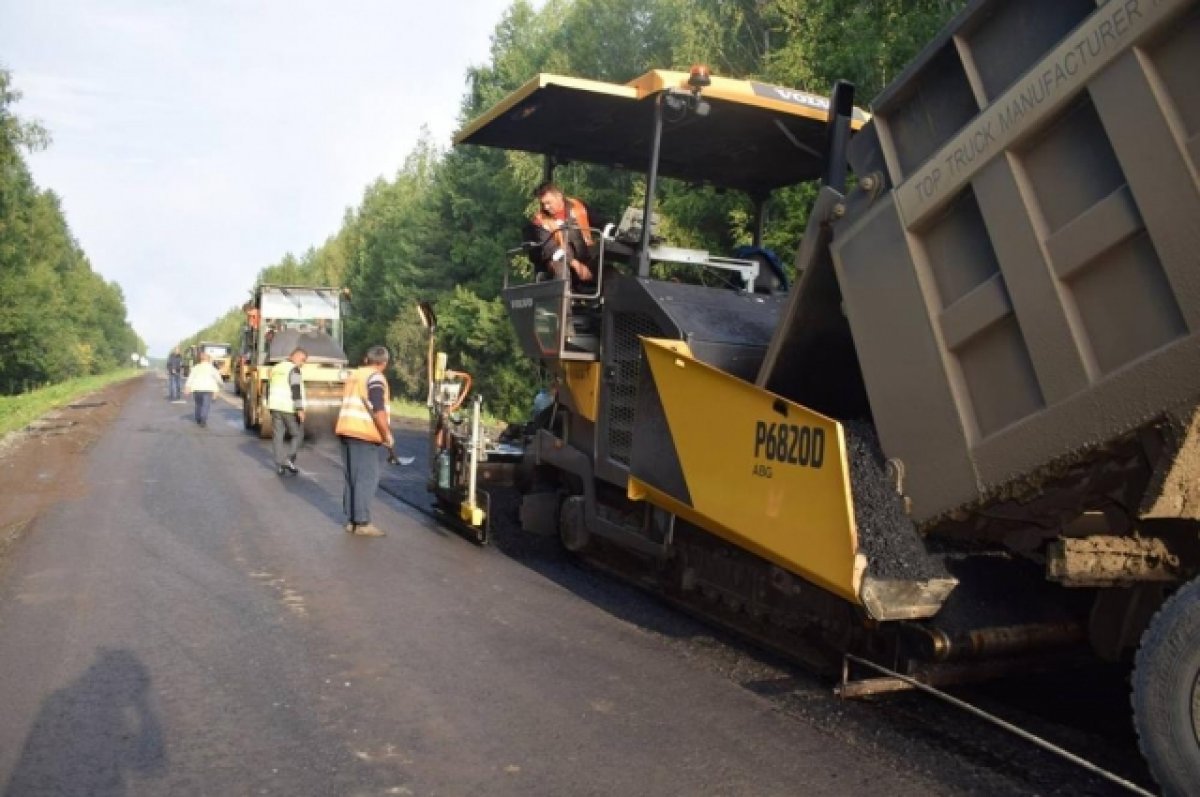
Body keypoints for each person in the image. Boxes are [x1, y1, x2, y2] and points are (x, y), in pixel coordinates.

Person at [334, 345, 393, 537]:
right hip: (363, 433)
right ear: (383, 363)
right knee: (366, 477)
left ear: (366, 359)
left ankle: (352, 519)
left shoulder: (354, 375)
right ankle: (362, 522)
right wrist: (386, 435)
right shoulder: (375, 378)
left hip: (346, 429)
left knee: (352, 476)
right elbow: (378, 409)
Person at [528, 181, 595, 289]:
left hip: (585, 258)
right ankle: (562, 304)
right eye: (543, 204)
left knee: (610, 274)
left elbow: (601, 222)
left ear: (559, 196)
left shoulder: (579, 207)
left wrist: (615, 231)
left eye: (548, 203)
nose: (546, 207)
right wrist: (575, 264)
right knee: (561, 270)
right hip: (559, 262)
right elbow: (551, 251)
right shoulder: (540, 221)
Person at [268, 347, 308, 476]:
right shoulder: (294, 369)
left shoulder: (276, 368)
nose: (303, 363)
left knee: (278, 436)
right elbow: (295, 389)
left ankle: (279, 464)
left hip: (274, 406)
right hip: (288, 407)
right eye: (303, 360)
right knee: (298, 434)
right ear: (295, 357)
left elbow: (270, 386)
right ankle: (288, 460)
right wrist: (300, 408)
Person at [183, 352, 222, 428]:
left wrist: (187, 387)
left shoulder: (196, 368)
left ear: (201, 359)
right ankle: (203, 419)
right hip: (208, 389)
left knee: (198, 404)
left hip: (197, 389)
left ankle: (198, 418)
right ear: (208, 359)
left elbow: (190, 378)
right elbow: (218, 379)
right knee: (206, 405)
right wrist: (221, 385)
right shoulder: (212, 368)